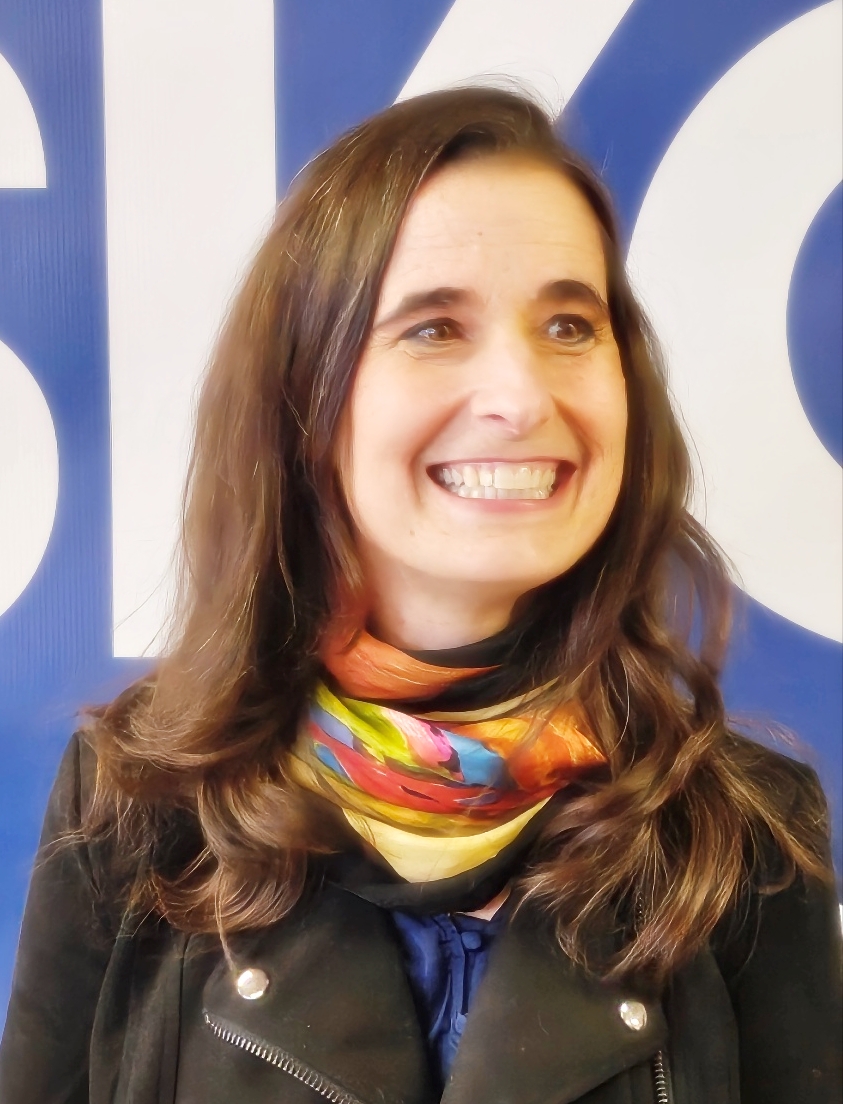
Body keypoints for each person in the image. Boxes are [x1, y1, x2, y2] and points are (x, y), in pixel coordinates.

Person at [0, 86, 839, 1104]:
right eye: (434, 328)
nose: (521, 396)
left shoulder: (744, 833)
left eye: (569, 324)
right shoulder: (132, 805)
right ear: (305, 395)